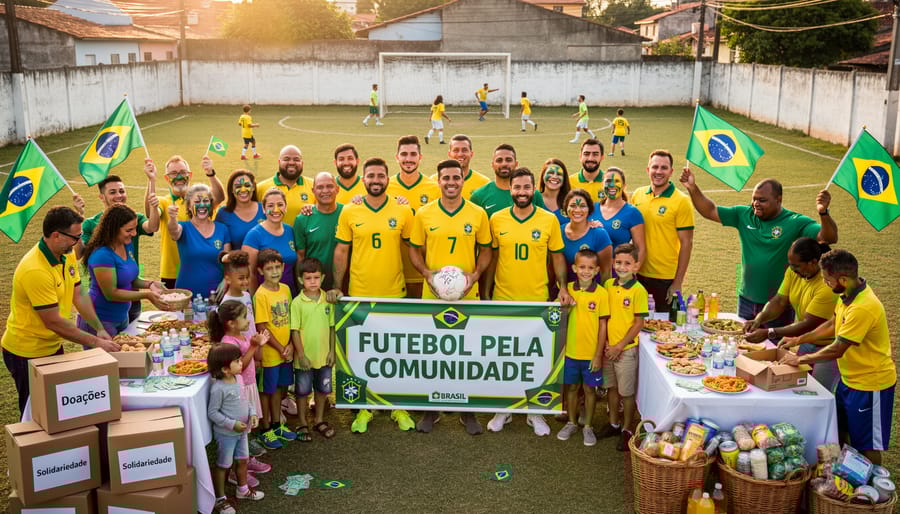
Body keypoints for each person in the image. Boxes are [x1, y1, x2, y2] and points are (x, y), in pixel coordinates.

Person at [778, 249, 895, 466]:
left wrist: (801, 359)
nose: (825, 284)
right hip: (849, 380)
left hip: (871, 385)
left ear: (842, 279)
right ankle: (848, 474)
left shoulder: (863, 307)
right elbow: (832, 324)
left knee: (867, 443)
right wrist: (798, 339)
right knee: (841, 430)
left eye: (827, 280)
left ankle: (874, 487)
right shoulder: (848, 294)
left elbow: (837, 349)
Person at [680, 168, 837, 326]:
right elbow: (710, 211)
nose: (756, 203)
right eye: (754, 199)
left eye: (762, 200)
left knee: (772, 345)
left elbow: (828, 238)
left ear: (778, 199)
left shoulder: (795, 221)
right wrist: (692, 188)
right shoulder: (744, 214)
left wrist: (823, 213)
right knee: (743, 344)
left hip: (778, 304)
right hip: (746, 299)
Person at [483, 167, 574, 437]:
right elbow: (493, 259)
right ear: (510, 189)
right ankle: (505, 409)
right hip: (504, 300)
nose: (521, 192)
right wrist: (486, 293)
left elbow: (557, 257)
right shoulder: (496, 219)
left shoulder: (547, 221)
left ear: (534, 189)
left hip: (537, 301)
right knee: (504, 357)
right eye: (517, 187)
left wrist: (562, 288)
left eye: (526, 187)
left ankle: (535, 412)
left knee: (535, 359)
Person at [2, 207, 118, 415]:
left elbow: (78, 295)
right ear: (56, 235)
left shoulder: (67, 253)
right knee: (35, 411)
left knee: (55, 407)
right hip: (26, 352)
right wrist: (96, 342)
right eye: (76, 237)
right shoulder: (35, 270)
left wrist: (98, 328)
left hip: (52, 346)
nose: (79, 242)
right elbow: (53, 321)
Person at [408, 159, 493, 435]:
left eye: (456, 177)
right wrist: (427, 274)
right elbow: (414, 250)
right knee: (433, 352)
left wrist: (475, 276)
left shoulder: (478, 214)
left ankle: (467, 411)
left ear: (463, 179)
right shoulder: (424, 213)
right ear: (439, 180)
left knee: (465, 354)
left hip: (467, 295)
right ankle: (430, 410)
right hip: (432, 295)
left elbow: (487, 251)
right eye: (446, 178)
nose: (451, 182)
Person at [331, 157, 416, 433]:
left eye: (381, 176)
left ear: (387, 178)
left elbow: (414, 247)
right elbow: (342, 251)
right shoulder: (350, 211)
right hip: (359, 294)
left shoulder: (403, 211)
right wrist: (337, 285)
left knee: (397, 352)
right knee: (360, 354)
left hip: (394, 293)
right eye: (371, 176)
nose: (376, 180)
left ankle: (397, 406)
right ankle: (362, 409)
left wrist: (430, 274)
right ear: (363, 179)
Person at [744, 237, 838, 391]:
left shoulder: (826, 285)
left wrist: (770, 332)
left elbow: (808, 324)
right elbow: (779, 301)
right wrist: (758, 319)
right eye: (791, 265)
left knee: (818, 391)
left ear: (813, 262)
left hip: (829, 347)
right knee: (798, 387)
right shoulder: (793, 272)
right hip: (807, 341)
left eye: (796, 266)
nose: (792, 269)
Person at [74, 164, 160, 323]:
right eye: (112, 192)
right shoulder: (92, 228)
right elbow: (79, 254)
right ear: (101, 197)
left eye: (121, 191)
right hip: (104, 305)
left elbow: (153, 226)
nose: (119, 195)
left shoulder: (132, 219)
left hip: (130, 297)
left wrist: (152, 186)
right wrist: (78, 218)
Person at [208, 300, 271, 486]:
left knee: (247, 426)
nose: (248, 320)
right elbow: (240, 366)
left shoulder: (242, 335)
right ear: (231, 323)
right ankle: (237, 470)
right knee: (241, 429)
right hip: (241, 387)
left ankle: (246, 459)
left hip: (247, 386)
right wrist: (253, 346)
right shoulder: (228, 342)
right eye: (244, 317)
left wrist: (258, 344)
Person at [80, 204, 168, 337]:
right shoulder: (102, 255)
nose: (134, 233)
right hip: (101, 320)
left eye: (134, 229)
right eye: (129, 230)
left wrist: (150, 284)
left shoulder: (126, 245)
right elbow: (111, 293)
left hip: (121, 317)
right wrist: (147, 295)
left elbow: (129, 279)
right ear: (114, 229)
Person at [598, 243, 648, 451]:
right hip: (608, 349)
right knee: (612, 388)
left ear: (636, 266)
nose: (621, 267)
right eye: (618, 262)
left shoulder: (638, 291)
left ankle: (627, 428)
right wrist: (608, 345)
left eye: (627, 263)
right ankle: (613, 423)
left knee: (626, 393)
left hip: (625, 350)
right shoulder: (608, 285)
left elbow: (639, 323)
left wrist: (620, 346)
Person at [556, 249, 609, 446]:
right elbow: (557, 316)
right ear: (574, 268)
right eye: (581, 267)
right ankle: (571, 422)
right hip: (570, 353)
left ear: (596, 270)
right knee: (571, 388)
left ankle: (587, 426)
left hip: (590, 354)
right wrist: (564, 306)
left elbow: (603, 326)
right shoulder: (567, 289)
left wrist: (597, 355)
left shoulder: (602, 294)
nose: (585, 271)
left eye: (590, 268)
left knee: (589, 390)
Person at [631, 150, 693, 312]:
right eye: (655, 167)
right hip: (636, 273)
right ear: (648, 169)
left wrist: (677, 283)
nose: (658, 172)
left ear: (671, 172)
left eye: (664, 168)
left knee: (662, 329)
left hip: (664, 278)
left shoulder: (681, 201)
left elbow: (687, 244)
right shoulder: (637, 195)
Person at [207, 343, 265, 514]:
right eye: (237, 361)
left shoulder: (238, 379)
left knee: (243, 460)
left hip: (242, 432)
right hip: (227, 434)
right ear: (225, 369)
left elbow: (245, 401)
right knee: (224, 465)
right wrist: (232, 424)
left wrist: (253, 413)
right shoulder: (218, 388)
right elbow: (212, 413)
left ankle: (243, 490)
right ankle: (220, 499)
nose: (242, 363)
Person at [158, 155, 225, 288]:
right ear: (167, 178)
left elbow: (219, 197)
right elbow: (154, 220)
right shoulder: (163, 201)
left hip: (205, 267)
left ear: (190, 174)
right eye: (173, 173)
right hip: (172, 271)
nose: (179, 177)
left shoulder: (201, 200)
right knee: (174, 307)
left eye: (183, 172)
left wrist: (210, 173)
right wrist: (151, 181)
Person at [253, 249, 297, 449]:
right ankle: (265, 429)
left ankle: (276, 424)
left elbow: (290, 320)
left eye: (277, 267)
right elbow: (262, 326)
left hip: (285, 352)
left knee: (280, 388)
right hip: (271, 354)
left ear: (283, 268)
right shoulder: (260, 295)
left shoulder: (286, 289)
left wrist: (290, 346)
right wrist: (280, 348)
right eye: (269, 268)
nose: (274, 271)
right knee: (266, 391)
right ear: (261, 271)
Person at [386, 135, 440, 298]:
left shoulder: (434, 188)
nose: (408, 159)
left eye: (413, 154)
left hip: (425, 274)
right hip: (392, 274)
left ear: (420, 157)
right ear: (397, 157)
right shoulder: (385, 186)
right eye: (404, 154)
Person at [290, 258, 336, 441]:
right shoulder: (297, 303)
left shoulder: (328, 300)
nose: (313, 282)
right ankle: (302, 422)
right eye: (308, 278)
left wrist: (332, 351)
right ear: (301, 280)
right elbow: (294, 331)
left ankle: (318, 420)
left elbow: (332, 328)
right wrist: (301, 355)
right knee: (302, 391)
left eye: (316, 277)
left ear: (323, 278)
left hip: (324, 357)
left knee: (322, 390)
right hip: (305, 358)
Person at [167, 183, 231, 297]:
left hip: (216, 295)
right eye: (196, 202)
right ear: (189, 207)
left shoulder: (222, 229)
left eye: (206, 201)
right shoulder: (183, 227)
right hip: (186, 295)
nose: (202, 205)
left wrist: (227, 279)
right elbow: (174, 231)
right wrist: (172, 218)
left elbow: (228, 262)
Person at [294, 172, 343, 292]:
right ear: (313, 191)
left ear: (337, 189)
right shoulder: (302, 219)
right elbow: (300, 256)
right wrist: (302, 289)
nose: (325, 191)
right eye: (320, 187)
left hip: (343, 286)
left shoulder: (347, 213)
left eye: (330, 186)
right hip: (313, 287)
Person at [242, 189, 297, 295]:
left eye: (280, 205)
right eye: (270, 205)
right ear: (263, 209)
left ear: (286, 207)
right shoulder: (254, 235)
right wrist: (255, 302)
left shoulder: (290, 231)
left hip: (289, 295)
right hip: (266, 298)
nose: (275, 210)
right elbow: (250, 274)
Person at [470, 143, 546, 218]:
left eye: (508, 160)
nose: (504, 164)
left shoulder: (533, 194)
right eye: (499, 160)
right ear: (492, 165)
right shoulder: (479, 196)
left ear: (516, 164)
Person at [592, 167, 645, 271]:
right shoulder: (592, 209)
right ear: (602, 185)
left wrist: (632, 273)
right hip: (590, 272)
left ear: (624, 185)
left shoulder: (632, 213)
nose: (612, 185)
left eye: (616, 181)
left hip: (617, 273)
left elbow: (640, 248)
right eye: (608, 181)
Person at [561, 189, 612, 285]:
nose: (577, 210)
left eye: (583, 206)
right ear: (565, 208)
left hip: (593, 293)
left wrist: (602, 296)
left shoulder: (599, 234)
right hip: (566, 291)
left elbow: (606, 272)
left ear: (589, 209)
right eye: (572, 206)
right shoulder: (559, 231)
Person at [256, 145, 313, 226]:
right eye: (286, 159)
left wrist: (314, 208)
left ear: (302, 163)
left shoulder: (314, 186)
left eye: (296, 159)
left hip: (303, 238)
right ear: (279, 162)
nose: (291, 163)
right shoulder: (261, 188)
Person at [215, 170, 265, 249]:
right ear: (231, 190)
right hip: (236, 260)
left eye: (247, 185)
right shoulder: (223, 213)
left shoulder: (265, 209)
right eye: (238, 186)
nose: (243, 190)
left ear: (254, 187)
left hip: (265, 260)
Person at [446, 134, 490, 200]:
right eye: (456, 150)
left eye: (464, 150)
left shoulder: (484, 183)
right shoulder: (435, 181)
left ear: (471, 154)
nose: (460, 154)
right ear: (449, 154)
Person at [569, 139, 606, 203]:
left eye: (595, 154)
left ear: (602, 157)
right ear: (580, 157)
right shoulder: (569, 182)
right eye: (586, 154)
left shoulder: (610, 182)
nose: (590, 158)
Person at [540, 159, 571, 225]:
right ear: (543, 175)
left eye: (559, 174)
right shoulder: (534, 199)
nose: (554, 177)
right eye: (550, 173)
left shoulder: (571, 202)